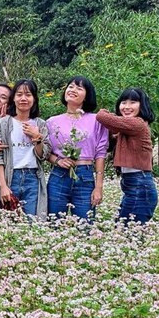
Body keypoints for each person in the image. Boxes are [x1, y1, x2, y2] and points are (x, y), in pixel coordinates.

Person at [45, 76, 108, 221]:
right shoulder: (51, 122)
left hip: (85, 176)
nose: (73, 90)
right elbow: (46, 152)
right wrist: (58, 161)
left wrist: (98, 187)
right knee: (54, 223)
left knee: (85, 226)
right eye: (71, 86)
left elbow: (100, 153)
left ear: (87, 96)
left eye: (79, 88)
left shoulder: (97, 120)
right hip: (59, 176)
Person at [96, 87, 158, 224]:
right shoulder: (126, 129)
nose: (127, 107)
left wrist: (103, 111)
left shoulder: (138, 123)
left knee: (128, 231)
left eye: (133, 102)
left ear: (142, 106)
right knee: (125, 230)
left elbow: (102, 117)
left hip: (140, 186)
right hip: (133, 185)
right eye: (123, 102)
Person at [0, 80, 51, 217]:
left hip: (33, 179)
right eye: (19, 94)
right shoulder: (1, 123)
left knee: (32, 222)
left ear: (34, 99)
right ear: (13, 98)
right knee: (8, 224)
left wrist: (37, 137)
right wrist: (3, 186)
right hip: (9, 177)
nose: (23, 98)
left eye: (28, 95)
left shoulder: (41, 124)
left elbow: (44, 155)